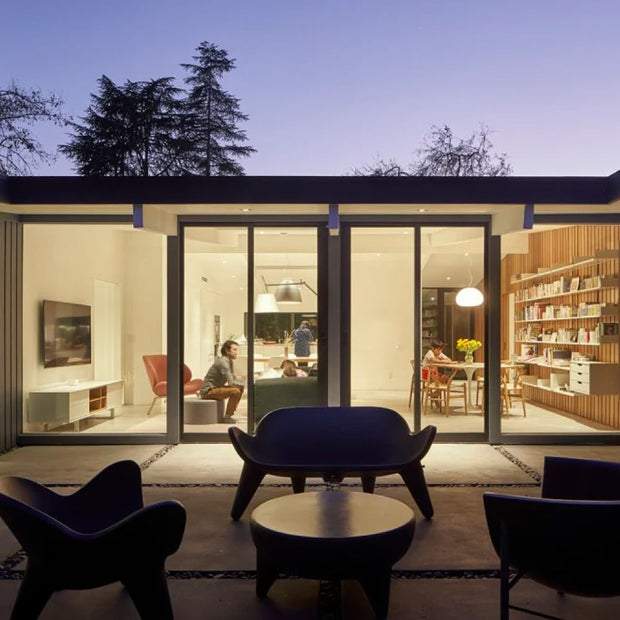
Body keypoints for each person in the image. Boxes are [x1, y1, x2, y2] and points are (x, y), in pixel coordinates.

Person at [198, 339, 244, 423]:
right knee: (235, 391)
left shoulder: (229, 361)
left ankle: (229, 414)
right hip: (208, 391)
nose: (236, 352)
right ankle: (227, 417)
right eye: (234, 350)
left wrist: (242, 384)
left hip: (216, 388)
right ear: (227, 350)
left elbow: (233, 378)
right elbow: (231, 382)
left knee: (240, 388)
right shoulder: (223, 362)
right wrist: (246, 384)